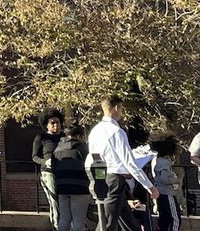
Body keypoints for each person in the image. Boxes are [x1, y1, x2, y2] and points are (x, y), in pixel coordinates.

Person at [86, 95, 158, 231]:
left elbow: (92, 156)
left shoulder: (94, 131)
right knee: (107, 221)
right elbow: (129, 162)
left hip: (100, 175)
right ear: (117, 108)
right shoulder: (117, 132)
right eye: (121, 109)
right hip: (114, 179)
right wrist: (149, 186)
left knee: (126, 220)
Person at [52, 124, 90, 231]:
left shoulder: (57, 149)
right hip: (80, 188)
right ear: (78, 136)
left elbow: (53, 168)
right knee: (78, 220)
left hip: (61, 187)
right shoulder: (82, 149)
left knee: (64, 219)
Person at [32, 108, 65, 231]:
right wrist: (45, 162)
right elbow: (34, 157)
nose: (55, 125)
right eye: (52, 123)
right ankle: (56, 227)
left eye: (57, 122)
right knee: (54, 202)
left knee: (64, 201)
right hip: (48, 172)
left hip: (63, 172)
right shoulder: (41, 138)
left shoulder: (64, 137)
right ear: (46, 125)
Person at [149, 134, 180, 231]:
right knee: (175, 218)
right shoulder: (165, 163)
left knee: (164, 218)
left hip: (160, 192)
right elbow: (165, 179)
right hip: (167, 193)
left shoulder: (158, 160)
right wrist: (176, 180)